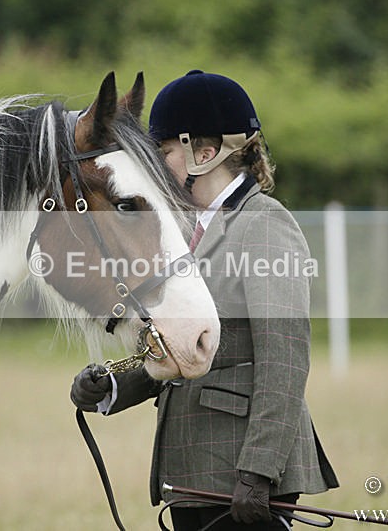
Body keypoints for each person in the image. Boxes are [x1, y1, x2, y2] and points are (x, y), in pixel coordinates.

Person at [70, 70, 338, 530]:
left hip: (242, 472)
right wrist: (114, 386)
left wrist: (259, 471)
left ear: (205, 153)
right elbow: (183, 347)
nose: (156, 165)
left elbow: (284, 362)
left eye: (165, 152)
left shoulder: (264, 226)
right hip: (191, 470)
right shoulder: (181, 234)